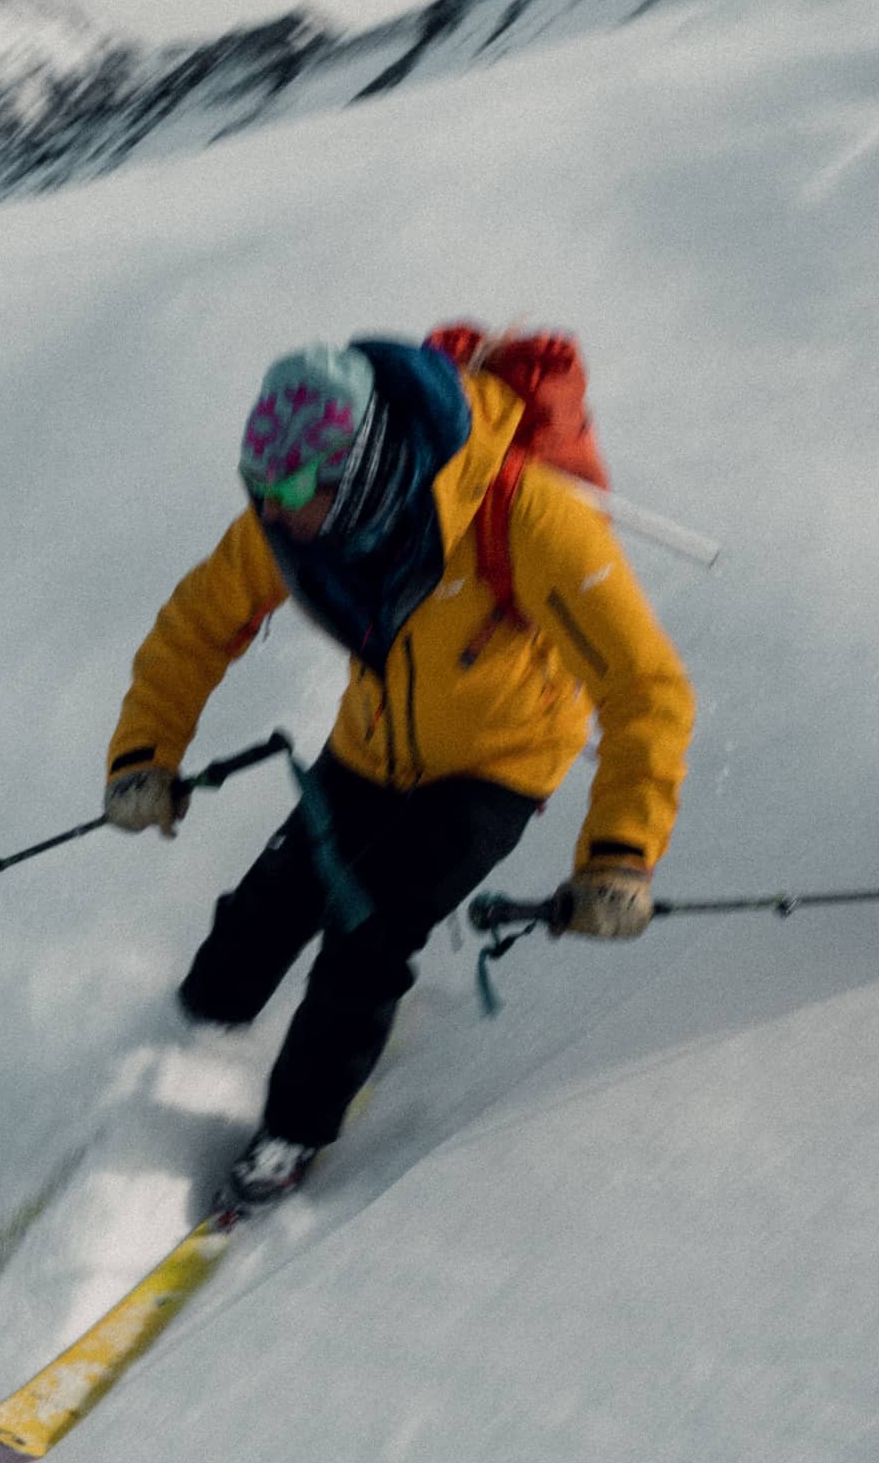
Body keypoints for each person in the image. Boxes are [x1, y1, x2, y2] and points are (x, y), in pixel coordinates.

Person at [102, 330, 696, 1210]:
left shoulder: (524, 517)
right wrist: (145, 754)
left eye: (295, 491)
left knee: (367, 934)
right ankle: (186, 1040)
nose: (274, 511)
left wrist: (618, 855)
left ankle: (291, 1137)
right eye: (259, 489)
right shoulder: (297, 524)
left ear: (367, 466)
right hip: (372, 749)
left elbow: (646, 689)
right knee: (272, 900)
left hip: (500, 763)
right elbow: (196, 624)